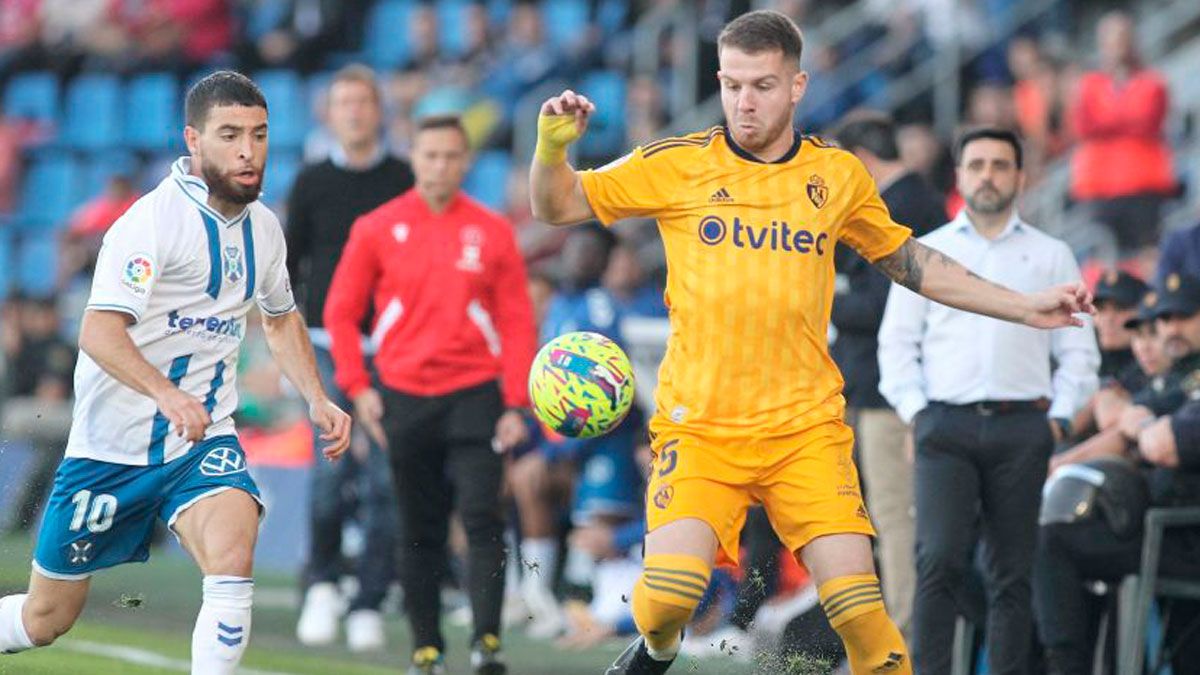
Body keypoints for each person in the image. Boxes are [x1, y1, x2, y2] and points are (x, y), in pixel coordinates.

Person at [528, 10, 1094, 675]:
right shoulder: (677, 163)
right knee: (666, 603)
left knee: (859, 609)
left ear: (797, 85)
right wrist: (551, 146)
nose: (745, 100)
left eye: (763, 85)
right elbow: (557, 205)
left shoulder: (838, 176)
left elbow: (913, 263)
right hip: (702, 429)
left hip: (806, 431)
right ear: (719, 78)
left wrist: (1023, 305)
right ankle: (654, 648)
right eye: (734, 83)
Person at [0, 71, 352, 673]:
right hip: (111, 448)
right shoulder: (149, 224)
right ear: (193, 140)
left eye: (260, 135)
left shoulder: (264, 227)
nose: (248, 150)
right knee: (46, 619)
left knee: (233, 557)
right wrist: (165, 393)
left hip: (203, 437)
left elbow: (280, 316)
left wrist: (316, 396)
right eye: (230, 134)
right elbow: (98, 330)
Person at [877, 127, 1100, 675]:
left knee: (1012, 574)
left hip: (1022, 426)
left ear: (1020, 177)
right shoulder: (929, 252)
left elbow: (1079, 353)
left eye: (1000, 165)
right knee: (937, 563)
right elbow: (896, 345)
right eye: (976, 164)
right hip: (944, 426)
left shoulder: (1051, 254)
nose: (988, 175)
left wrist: (1058, 421)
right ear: (959, 175)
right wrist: (918, 412)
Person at [323, 114, 537, 675]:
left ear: (466, 162)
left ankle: (487, 645)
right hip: (403, 397)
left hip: (475, 395)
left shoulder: (493, 231)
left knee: (482, 516)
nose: (440, 165)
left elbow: (517, 321)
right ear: (413, 159)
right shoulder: (376, 227)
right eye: (430, 155)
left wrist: (517, 402)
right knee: (416, 525)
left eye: (450, 156)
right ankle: (427, 650)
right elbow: (340, 314)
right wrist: (357, 388)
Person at [285, 63, 414, 652]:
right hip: (325, 344)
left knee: (387, 477)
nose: (355, 112)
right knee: (330, 472)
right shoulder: (311, 181)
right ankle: (322, 584)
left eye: (364, 102)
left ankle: (368, 596)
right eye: (344, 103)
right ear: (330, 113)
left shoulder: (405, 177)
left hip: (393, 347)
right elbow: (288, 269)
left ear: (378, 110)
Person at [1034, 279, 1200, 674]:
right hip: (1162, 532)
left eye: (1183, 318)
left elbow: (1160, 443)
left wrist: (1143, 428)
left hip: (1182, 535)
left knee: (1055, 541)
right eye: (1165, 320)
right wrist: (1053, 467)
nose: (1170, 329)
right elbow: (1121, 430)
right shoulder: (1176, 380)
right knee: (1053, 535)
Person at [830, 112, 946, 636]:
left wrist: (823, 296)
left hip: (890, 390)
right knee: (890, 515)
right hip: (893, 385)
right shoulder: (919, 198)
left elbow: (883, 307)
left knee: (894, 516)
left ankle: (903, 638)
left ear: (860, 158)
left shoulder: (898, 206)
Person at [1069, 10, 1175, 254]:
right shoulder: (1089, 84)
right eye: (1110, 39)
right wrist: (1126, 115)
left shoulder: (1153, 82)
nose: (1116, 46)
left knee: (1147, 254)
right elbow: (1085, 125)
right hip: (1099, 184)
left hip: (1144, 182)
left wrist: (1108, 118)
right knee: (1104, 259)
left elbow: (1149, 121)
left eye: (1122, 37)